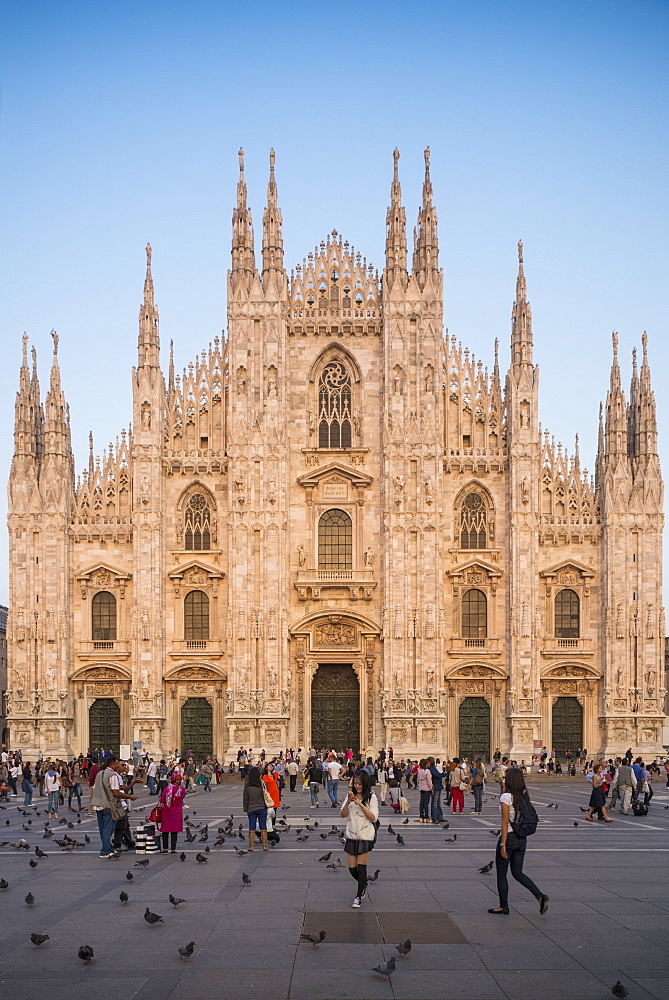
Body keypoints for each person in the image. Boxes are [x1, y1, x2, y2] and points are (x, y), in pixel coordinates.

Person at [488, 767, 548, 916]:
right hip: (522, 839)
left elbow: (505, 821)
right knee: (517, 872)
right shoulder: (524, 796)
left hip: (509, 838)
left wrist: (502, 844)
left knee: (501, 873)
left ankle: (503, 906)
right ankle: (539, 895)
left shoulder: (506, 797)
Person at [340, 769, 379, 908]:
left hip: (365, 835)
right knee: (352, 868)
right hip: (352, 834)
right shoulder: (350, 795)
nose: (357, 786)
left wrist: (360, 804)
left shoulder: (371, 797)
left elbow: (373, 817)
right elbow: (343, 814)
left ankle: (358, 897)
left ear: (365, 784)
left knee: (362, 868)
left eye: (360, 784)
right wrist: (348, 802)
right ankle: (363, 884)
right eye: (355, 783)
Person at [159, 773, 187, 853]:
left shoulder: (167, 789)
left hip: (167, 812)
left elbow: (162, 800)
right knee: (174, 831)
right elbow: (182, 797)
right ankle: (173, 849)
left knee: (165, 830)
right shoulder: (182, 789)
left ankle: (165, 849)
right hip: (177, 812)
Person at [243, 766, 269, 851]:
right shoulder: (262, 784)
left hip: (251, 808)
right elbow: (266, 794)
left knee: (252, 827)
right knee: (263, 826)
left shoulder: (247, 785)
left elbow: (245, 798)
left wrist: (245, 809)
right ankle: (265, 846)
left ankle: (251, 846)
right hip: (262, 808)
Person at [428, 757, 444, 823]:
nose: (434, 761)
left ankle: (440, 816)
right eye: (433, 760)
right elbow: (437, 775)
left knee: (438, 802)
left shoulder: (433, 768)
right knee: (435, 803)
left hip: (438, 786)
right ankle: (435, 817)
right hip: (436, 786)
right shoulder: (431, 769)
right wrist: (444, 773)